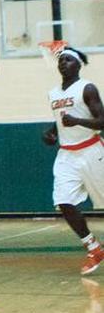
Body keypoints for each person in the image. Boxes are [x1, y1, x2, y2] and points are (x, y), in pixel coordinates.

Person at [41, 46, 104, 274]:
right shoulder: (53, 93)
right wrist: (52, 133)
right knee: (63, 200)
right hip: (67, 154)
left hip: (92, 151)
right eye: (60, 60)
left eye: (68, 60)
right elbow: (61, 122)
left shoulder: (86, 88)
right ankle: (93, 247)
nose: (63, 63)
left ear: (78, 64)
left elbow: (101, 121)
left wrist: (77, 121)